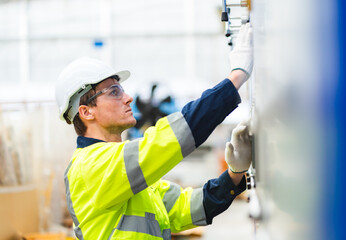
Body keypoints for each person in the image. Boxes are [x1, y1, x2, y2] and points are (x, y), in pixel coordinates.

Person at [56, 23, 253, 240]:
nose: (128, 97)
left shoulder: (131, 180)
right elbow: (166, 140)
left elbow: (189, 207)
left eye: (121, 89)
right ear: (86, 112)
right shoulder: (90, 168)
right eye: (114, 92)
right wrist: (236, 78)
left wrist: (236, 172)